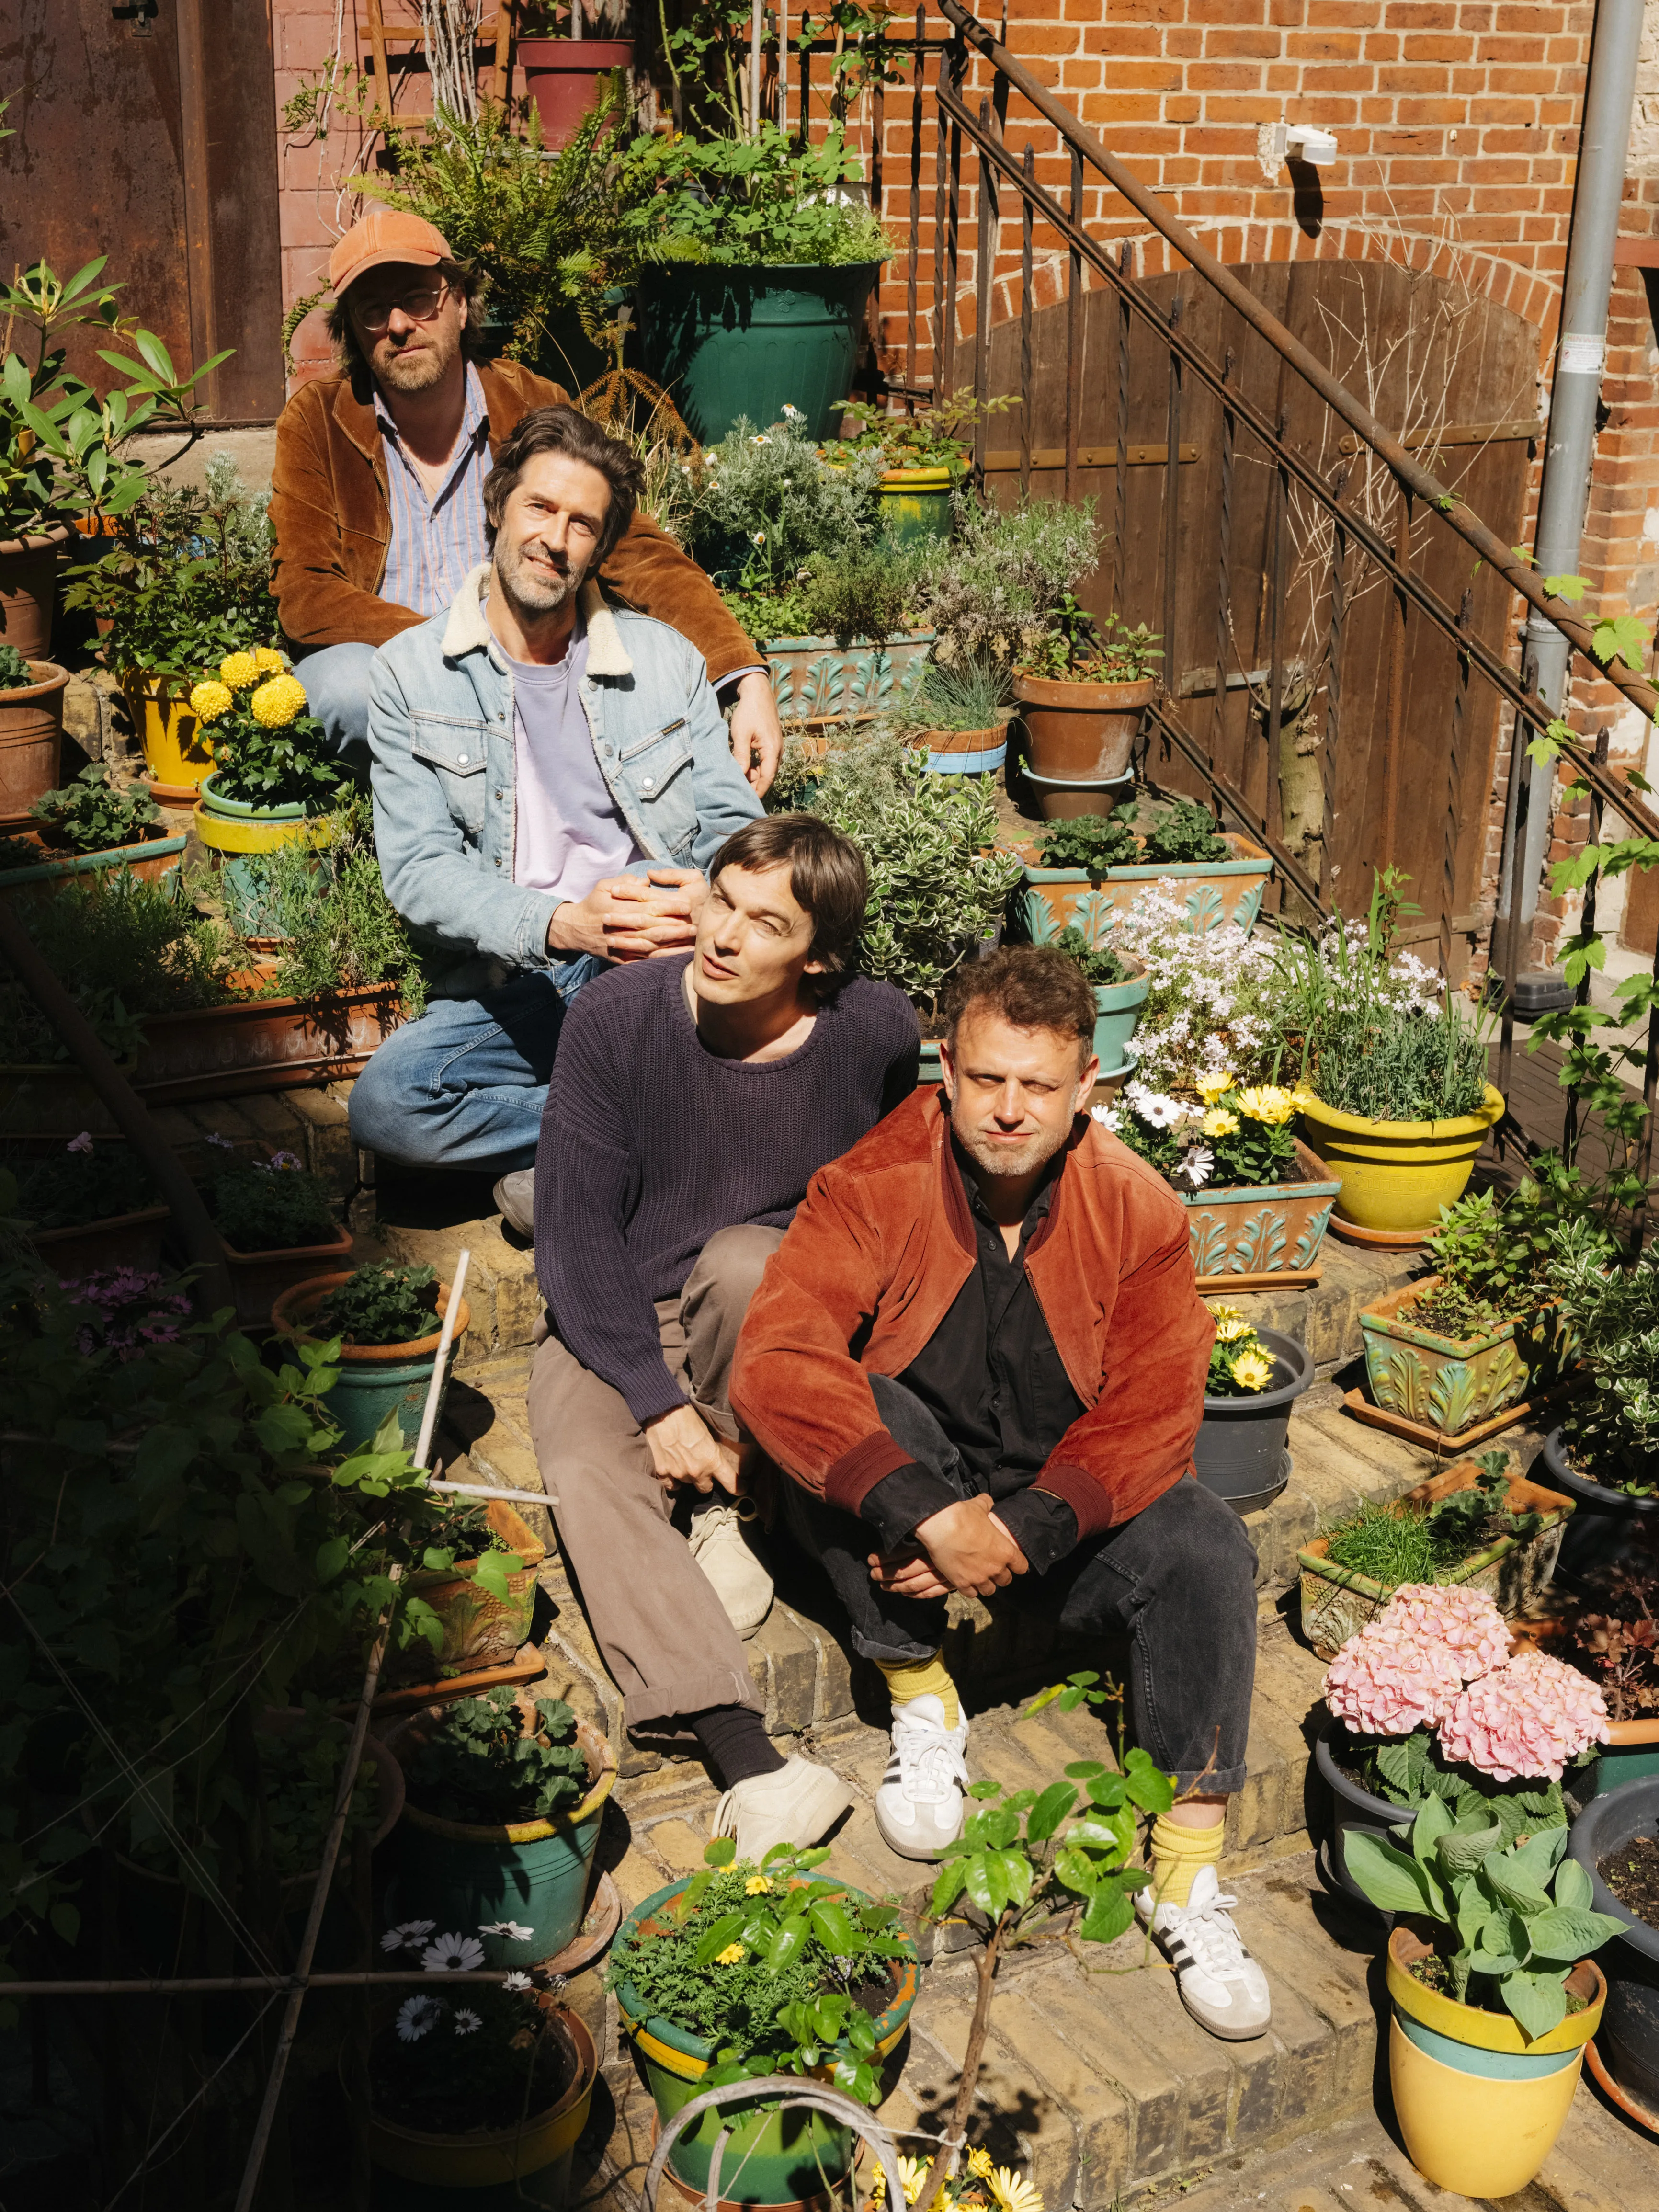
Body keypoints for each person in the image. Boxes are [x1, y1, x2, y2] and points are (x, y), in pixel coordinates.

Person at [729, 946, 1272, 2041]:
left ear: (1085, 1087)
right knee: (855, 1417)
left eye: (1037, 1084)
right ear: (946, 1067)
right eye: (986, 1078)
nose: (1009, 1108)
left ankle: (1185, 1873)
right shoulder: (873, 1181)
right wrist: (928, 1513)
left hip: (1054, 1514)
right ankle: (920, 1690)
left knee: (1210, 1543)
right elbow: (777, 1357)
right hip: (911, 1520)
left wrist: (1020, 1530)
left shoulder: (1139, 1210)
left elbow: (1157, 1406)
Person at [525, 813, 920, 1858]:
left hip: (765, 1304)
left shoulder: (873, 1030)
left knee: (750, 1260)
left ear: (818, 958)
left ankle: (732, 1499)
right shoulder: (616, 1016)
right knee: (578, 1459)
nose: (723, 934)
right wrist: (656, 1404)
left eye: (765, 923)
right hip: (618, 1299)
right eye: (719, 900)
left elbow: (888, 1184)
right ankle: (752, 1760)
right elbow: (573, 1239)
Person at [349, 401, 765, 1185]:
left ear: (599, 548)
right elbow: (419, 871)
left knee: (650, 885)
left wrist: (701, 897)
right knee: (389, 1105)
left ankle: (578, 1161)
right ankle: (652, 1128)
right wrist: (565, 924)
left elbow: (740, 838)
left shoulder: (665, 661)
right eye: (540, 507)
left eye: (582, 524)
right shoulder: (410, 672)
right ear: (498, 506)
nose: (554, 538)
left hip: (650, 963)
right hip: (523, 978)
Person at [269, 206, 782, 794]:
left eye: (418, 299)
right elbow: (305, 592)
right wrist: (454, 643)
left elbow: (633, 547)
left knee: (641, 668)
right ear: (354, 331)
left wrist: (742, 675)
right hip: (400, 670)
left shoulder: (530, 402)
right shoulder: (318, 421)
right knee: (342, 688)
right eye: (372, 310)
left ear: (461, 303)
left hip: (531, 667)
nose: (399, 324)